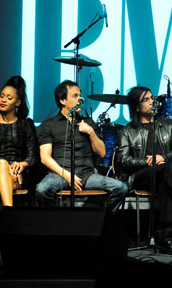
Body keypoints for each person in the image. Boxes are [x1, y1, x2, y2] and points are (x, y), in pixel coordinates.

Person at [115, 86, 172, 253]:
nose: (152, 102)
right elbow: (123, 160)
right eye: (146, 99)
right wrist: (147, 162)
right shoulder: (127, 130)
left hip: (164, 174)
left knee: (165, 178)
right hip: (140, 175)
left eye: (152, 98)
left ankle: (165, 237)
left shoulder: (169, 125)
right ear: (137, 106)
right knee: (165, 169)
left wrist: (164, 158)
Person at [35, 80, 128, 212]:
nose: (80, 99)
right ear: (62, 100)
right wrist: (67, 175)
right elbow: (45, 157)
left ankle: (99, 222)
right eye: (75, 96)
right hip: (60, 174)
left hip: (86, 175)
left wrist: (91, 132)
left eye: (80, 95)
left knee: (120, 188)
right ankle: (56, 223)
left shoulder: (88, 122)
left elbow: (102, 153)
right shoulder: (49, 124)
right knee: (42, 189)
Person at [0, 75, 38, 207]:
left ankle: (3, 219)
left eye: (9, 98)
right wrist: (6, 166)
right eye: (1, 96)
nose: (3, 100)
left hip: (14, 173)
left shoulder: (26, 124)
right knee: (1, 164)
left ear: (18, 102)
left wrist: (22, 164)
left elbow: (32, 157)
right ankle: (10, 214)